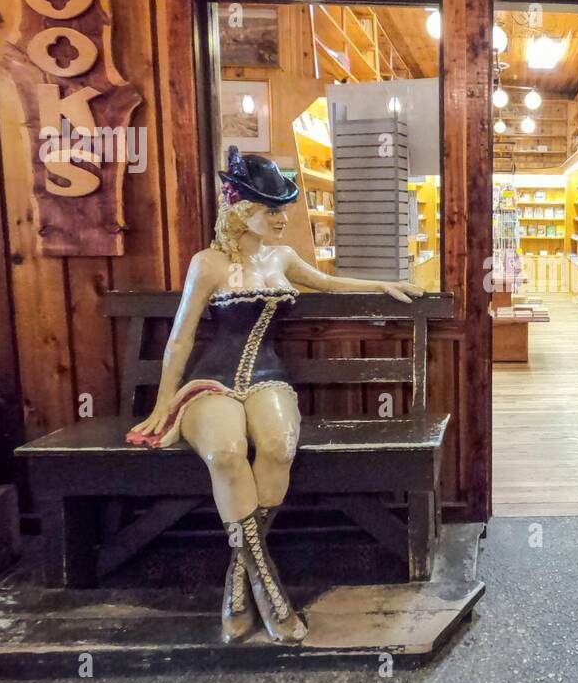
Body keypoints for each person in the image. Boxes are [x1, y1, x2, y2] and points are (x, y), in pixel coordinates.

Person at [128, 147, 422, 643]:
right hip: (211, 382)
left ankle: (237, 581)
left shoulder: (282, 258)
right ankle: (268, 589)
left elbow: (326, 281)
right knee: (224, 452)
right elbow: (180, 337)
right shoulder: (208, 263)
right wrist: (163, 402)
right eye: (272, 209)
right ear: (243, 211)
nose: (283, 218)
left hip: (268, 376)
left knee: (279, 446)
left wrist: (386, 284)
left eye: (284, 207)